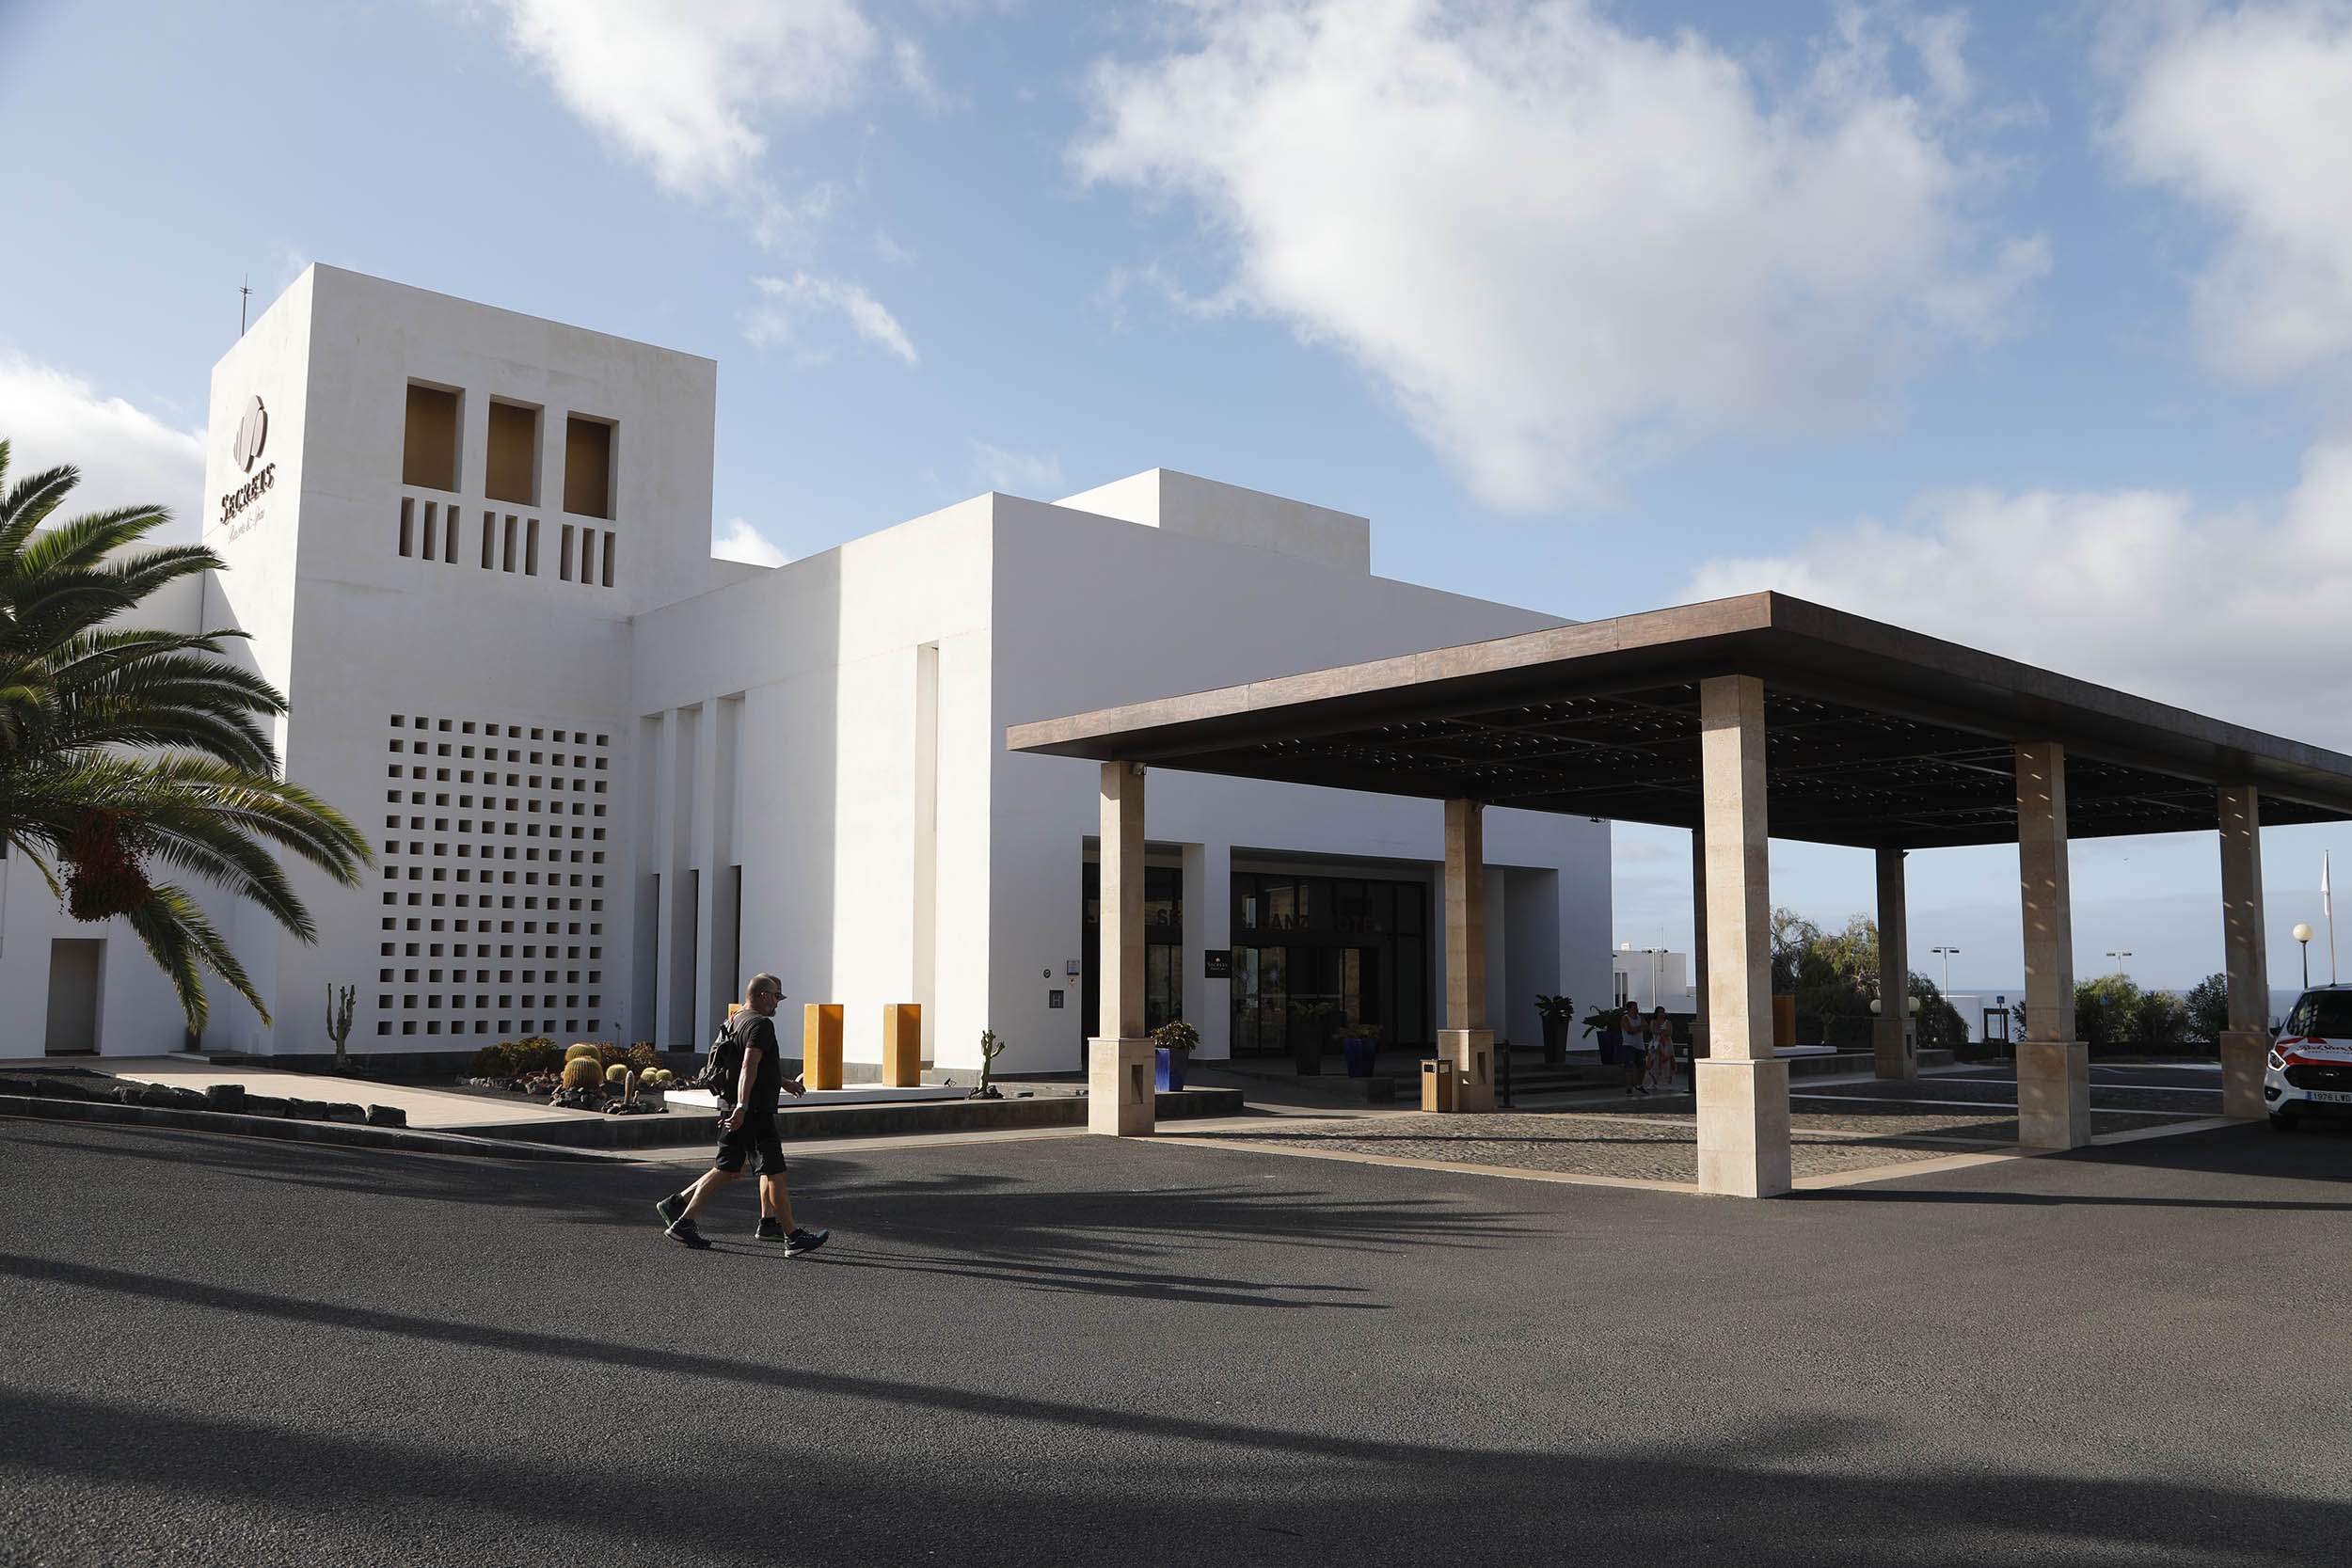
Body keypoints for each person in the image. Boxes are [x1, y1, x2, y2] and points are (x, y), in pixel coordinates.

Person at [653, 973, 829, 1254]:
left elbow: (749, 1067)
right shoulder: (761, 1025)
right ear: (761, 995)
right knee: (775, 1172)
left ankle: (681, 1215)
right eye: (775, 997)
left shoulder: (734, 1020)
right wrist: (743, 1107)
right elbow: (748, 1066)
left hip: (734, 1106)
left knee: (726, 1169)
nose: (777, 1003)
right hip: (753, 1112)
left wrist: (784, 1083)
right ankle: (792, 1236)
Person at [1645, 1006, 1677, 1095]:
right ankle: (1654, 1081)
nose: (1662, 1014)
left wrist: (1661, 1032)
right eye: (1660, 1012)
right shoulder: (1653, 1021)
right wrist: (1662, 1031)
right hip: (1655, 1043)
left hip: (1666, 1044)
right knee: (1653, 1061)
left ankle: (1668, 1082)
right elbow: (1653, 1030)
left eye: (1663, 1012)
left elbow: (1669, 1032)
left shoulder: (1668, 1022)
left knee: (1668, 1063)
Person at [1620, 1000, 1645, 1095]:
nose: (1636, 1009)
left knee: (1642, 1066)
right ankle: (1629, 1087)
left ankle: (1639, 1084)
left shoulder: (1640, 1018)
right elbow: (1629, 1030)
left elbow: (1646, 1027)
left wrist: (1635, 1028)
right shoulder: (1625, 1018)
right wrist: (1639, 1028)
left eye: (1637, 1007)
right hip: (1628, 1045)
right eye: (1634, 1007)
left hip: (1640, 1045)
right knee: (1629, 1067)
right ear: (1629, 1009)